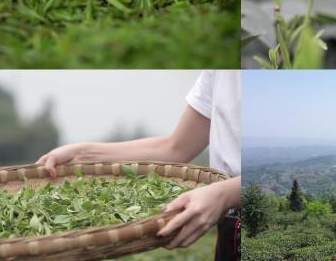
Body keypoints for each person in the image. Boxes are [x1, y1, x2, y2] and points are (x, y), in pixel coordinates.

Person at [36, 71, 240, 261]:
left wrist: (224, 194)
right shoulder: (220, 73)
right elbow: (175, 148)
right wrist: (82, 154)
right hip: (231, 230)